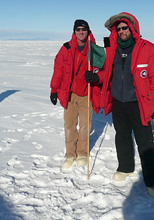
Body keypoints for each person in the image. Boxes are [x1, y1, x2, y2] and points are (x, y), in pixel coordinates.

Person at [85, 12, 154, 198]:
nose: (122, 31)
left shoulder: (148, 49)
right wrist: (97, 77)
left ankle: (151, 180)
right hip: (119, 102)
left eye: (125, 28)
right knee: (121, 136)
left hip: (139, 103)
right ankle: (126, 167)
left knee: (145, 142)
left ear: (132, 28)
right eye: (119, 28)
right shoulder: (113, 50)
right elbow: (108, 74)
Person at [50, 19, 101, 171]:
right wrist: (54, 89)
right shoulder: (66, 48)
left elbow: (101, 69)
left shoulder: (94, 49)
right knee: (70, 126)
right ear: (74, 31)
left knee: (85, 126)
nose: (81, 32)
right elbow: (58, 69)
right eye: (78, 29)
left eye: (83, 29)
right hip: (69, 94)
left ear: (88, 30)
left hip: (86, 93)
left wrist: (94, 75)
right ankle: (70, 154)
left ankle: (82, 153)